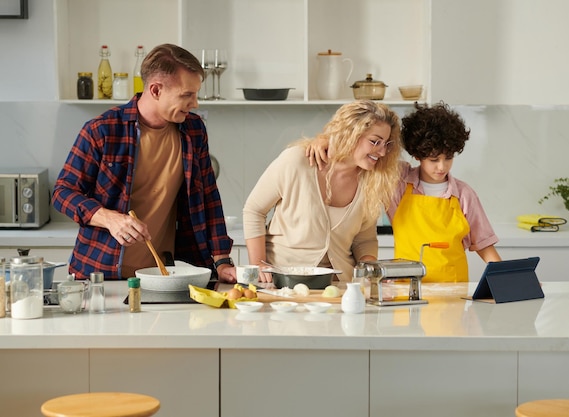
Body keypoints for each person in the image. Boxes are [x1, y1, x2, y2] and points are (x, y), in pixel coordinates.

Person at [52, 43, 237, 283]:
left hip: (167, 275)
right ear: (156, 90)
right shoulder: (102, 130)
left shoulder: (194, 130)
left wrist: (222, 260)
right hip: (102, 275)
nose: (195, 103)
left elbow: (209, 198)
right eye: (187, 95)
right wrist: (109, 218)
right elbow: (62, 193)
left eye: (196, 94)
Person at [308, 101, 501, 282]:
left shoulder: (464, 194)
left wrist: (505, 278)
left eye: (448, 158)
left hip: (453, 289)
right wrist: (325, 140)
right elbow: (362, 153)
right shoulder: (398, 180)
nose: (442, 167)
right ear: (418, 155)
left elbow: (484, 245)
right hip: (407, 287)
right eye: (434, 160)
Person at [243, 100, 402, 283]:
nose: (382, 152)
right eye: (375, 142)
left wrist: (370, 268)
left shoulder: (372, 180)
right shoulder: (297, 162)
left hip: (338, 287)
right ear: (350, 133)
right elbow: (254, 210)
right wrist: (258, 265)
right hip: (281, 282)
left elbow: (364, 239)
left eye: (386, 144)